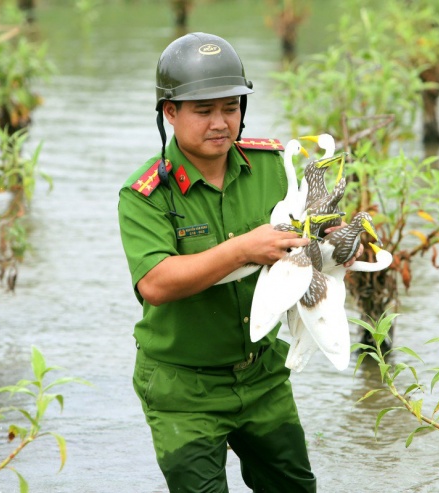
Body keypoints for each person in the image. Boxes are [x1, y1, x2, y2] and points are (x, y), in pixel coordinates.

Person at [117, 32, 318, 492]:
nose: (220, 123)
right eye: (203, 111)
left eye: (230, 108)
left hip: (263, 374)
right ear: (170, 113)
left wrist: (344, 244)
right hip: (182, 388)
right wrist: (244, 248)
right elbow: (156, 283)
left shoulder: (271, 166)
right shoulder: (145, 193)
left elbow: (311, 237)